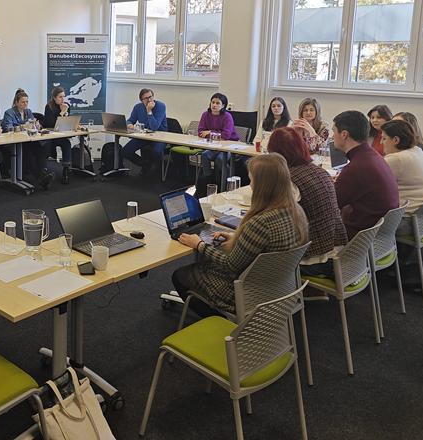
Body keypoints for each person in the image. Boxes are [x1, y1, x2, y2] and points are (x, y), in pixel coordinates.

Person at [171, 153, 308, 315]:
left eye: (251, 180)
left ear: (262, 186)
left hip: (246, 294)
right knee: (208, 261)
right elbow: (267, 246)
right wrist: (239, 238)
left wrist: (199, 244)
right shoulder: (297, 212)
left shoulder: (260, 223)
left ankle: (221, 320)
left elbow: (230, 264)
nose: (250, 185)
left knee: (180, 275)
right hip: (278, 288)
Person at [267, 127, 347, 277]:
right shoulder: (320, 171)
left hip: (316, 259)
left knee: (259, 258)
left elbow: (277, 220)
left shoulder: (290, 179)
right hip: (338, 249)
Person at [331, 110, 399, 239]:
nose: (332, 136)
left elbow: (330, 205)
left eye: (334, 131)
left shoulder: (356, 167)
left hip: (360, 237)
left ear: (344, 134)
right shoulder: (372, 156)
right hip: (381, 235)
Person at [380, 120, 423, 233]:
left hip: (407, 222)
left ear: (396, 140)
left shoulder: (396, 159)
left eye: (384, 138)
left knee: (360, 219)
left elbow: (369, 184)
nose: (381, 142)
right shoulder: (417, 150)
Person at [1, 88, 53, 189]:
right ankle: (39, 177)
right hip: (14, 142)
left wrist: (37, 126)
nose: (25, 104)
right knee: (28, 149)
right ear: (16, 102)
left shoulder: (28, 112)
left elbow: (33, 125)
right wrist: (23, 127)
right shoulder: (9, 113)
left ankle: (43, 172)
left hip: (27, 140)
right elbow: (7, 129)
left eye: (27, 102)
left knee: (41, 146)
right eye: (23, 102)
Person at [122, 88, 168, 176]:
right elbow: (130, 120)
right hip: (145, 135)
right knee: (126, 151)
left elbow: (154, 127)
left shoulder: (160, 106)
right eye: (146, 98)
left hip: (160, 135)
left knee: (157, 151)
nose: (149, 100)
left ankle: (158, 168)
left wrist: (149, 111)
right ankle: (145, 164)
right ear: (141, 100)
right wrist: (129, 124)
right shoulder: (138, 107)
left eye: (151, 96)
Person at [197, 92, 238, 183]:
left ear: (223, 105)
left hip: (229, 145)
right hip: (214, 145)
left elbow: (226, 136)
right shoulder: (205, 114)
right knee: (204, 155)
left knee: (220, 159)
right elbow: (200, 132)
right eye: (213, 102)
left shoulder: (227, 116)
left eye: (217, 103)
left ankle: (227, 181)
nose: (214, 105)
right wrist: (217, 135)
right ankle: (208, 180)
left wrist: (209, 132)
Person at [42, 86, 73, 184]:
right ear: (54, 98)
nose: (63, 99)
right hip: (51, 136)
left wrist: (66, 113)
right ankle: (43, 170)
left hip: (61, 135)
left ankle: (66, 170)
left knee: (66, 144)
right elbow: (50, 124)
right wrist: (62, 113)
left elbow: (67, 123)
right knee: (46, 145)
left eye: (64, 96)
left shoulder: (66, 106)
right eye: (60, 97)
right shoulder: (49, 107)